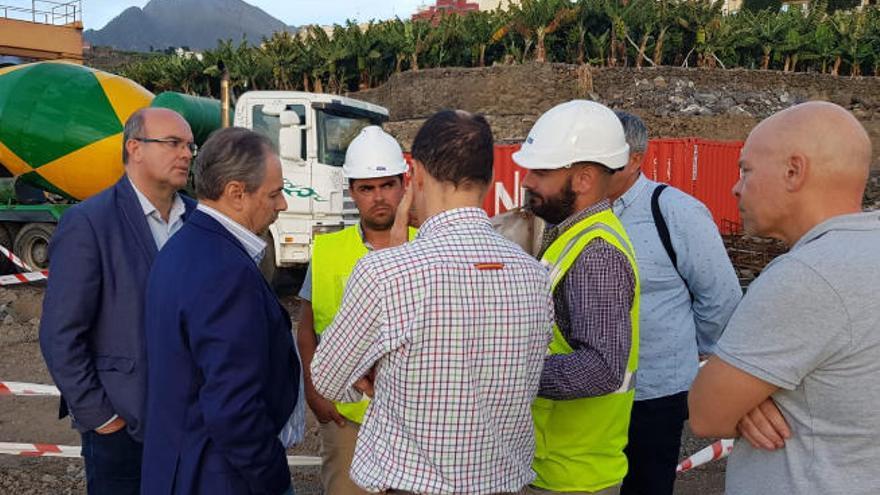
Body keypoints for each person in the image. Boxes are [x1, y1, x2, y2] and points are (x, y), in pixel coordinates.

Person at [311, 110, 553, 494]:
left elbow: (327, 377)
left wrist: (370, 369)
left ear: (417, 174)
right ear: (489, 179)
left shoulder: (386, 273)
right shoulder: (535, 275)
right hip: (501, 482)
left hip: (413, 484)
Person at [689, 101, 880, 494]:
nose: (736, 187)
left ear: (794, 171)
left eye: (746, 170)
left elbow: (705, 414)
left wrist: (736, 399)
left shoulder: (807, 276)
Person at [39, 107, 197, 494]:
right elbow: (60, 334)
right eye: (174, 143)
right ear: (135, 148)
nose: (188, 154)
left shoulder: (197, 219)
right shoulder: (90, 222)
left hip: (193, 424)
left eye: (191, 145)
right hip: (124, 429)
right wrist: (102, 417)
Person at [140, 127, 299, 495]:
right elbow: (234, 409)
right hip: (219, 476)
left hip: (181, 466)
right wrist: (273, 476)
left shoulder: (182, 246)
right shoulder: (226, 272)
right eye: (274, 194)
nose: (283, 204)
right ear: (236, 194)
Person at [607, 112, 741, 495]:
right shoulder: (577, 213)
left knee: (647, 486)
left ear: (635, 160)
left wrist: (690, 350)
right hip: (591, 394)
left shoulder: (675, 213)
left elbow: (721, 297)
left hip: (655, 391)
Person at [513, 100, 639, 495]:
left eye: (542, 171)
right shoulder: (569, 236)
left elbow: (602, 368)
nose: (527, 180)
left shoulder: (595, 253)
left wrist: (506, 372)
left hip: (572, 477)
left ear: (583, 179)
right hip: (558, 467)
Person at [296, 126, 415, 494]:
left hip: (417, 420)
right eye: (367, 188)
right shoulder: (329, 250)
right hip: (348, 418)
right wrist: (314, 391)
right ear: (352, 192)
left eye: (387, 185)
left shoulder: (430, 246)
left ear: (404, 184)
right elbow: (305, 326)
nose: (378, 197)